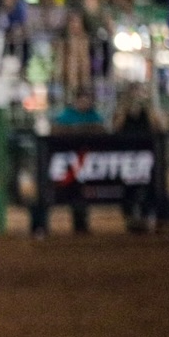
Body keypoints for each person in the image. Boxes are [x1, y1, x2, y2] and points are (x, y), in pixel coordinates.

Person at [113, 84, 168, 233]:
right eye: (133, 93)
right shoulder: (122, 110)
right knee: (128, 188)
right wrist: (125, 109)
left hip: (147, 157)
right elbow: (116, 128)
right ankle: (130, 217)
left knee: (149, 187)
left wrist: (150, 107)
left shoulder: (149, 110)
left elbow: (160, 127)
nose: (137, 97)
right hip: (127, 156)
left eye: (140, 93)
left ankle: (145, 217)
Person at [51, 87, 106, 233]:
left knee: (85, 193)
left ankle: (82, 223)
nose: (84, 102)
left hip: (90, 164)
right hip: (70, 164)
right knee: (72, 192)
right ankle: (78, 222)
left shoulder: (94, 115)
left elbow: (102, 129)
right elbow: (56, 128)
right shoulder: (67, 114)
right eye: (82, 99)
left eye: (87, 99)